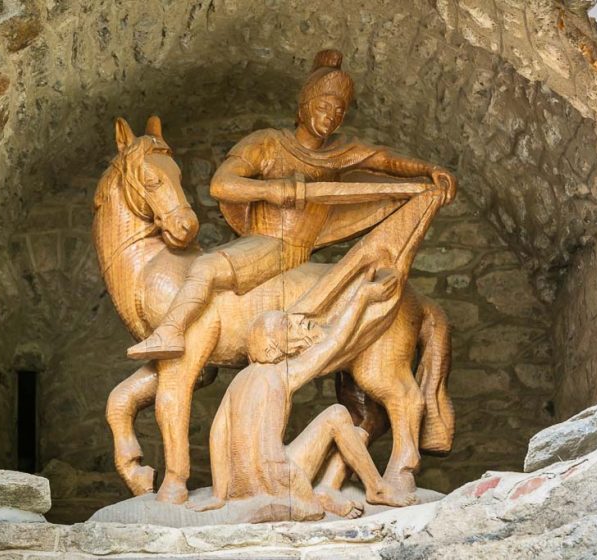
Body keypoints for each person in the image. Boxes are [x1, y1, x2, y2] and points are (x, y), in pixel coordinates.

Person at [127, 48, 456, 360]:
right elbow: (222, 184)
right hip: (266, 240)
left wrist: (429, 169)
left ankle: (171, 330)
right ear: (304, 108)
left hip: (292, 248)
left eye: (339, 111)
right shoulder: (268, 143)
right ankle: (174, 334)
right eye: (324, 107)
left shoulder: (337, 155)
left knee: (206, 267)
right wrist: (274, 190)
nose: (331, 117)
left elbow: (383, 159)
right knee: (207, 266)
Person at [185, 268, 416, 520]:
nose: (295, 324)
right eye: (286, 325)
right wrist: (362, 297)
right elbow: (334, 342)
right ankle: (377, 488)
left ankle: (326, 490)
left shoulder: (239, 381)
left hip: (244, 486)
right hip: (279, 479)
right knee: (338, 414)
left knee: (357, 435)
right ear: (272, 344)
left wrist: (219, 495)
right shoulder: (282, 373)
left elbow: (217, 434)